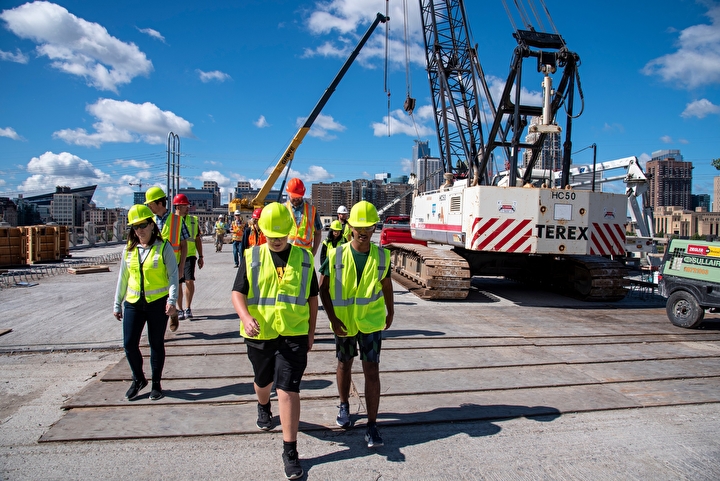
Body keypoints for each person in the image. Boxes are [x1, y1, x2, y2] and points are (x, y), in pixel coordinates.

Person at [231, 202, 318, 480]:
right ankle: (263, 405)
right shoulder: (252, 256)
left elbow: (312, 298)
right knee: (263, 381)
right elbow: (237, 293)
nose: (277, 240)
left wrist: (311, 331)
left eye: (281, 235)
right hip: (261, 333)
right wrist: (245, 317)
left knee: (288, 389)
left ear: (290, 232)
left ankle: (290, 451)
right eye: (272, 235)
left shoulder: (304, 259)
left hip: (293, 333)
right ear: (263, 231)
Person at [318, 201, 394, 449]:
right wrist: (332, 318)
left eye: (368, 226)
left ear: (374, 227)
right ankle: (343, 404)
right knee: (344, 363)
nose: (363, 231)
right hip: (345, 323)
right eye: (358, 226)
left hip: (370, 322)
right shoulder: (336, 254)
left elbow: (386, 284)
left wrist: (390, 310)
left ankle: (372, 425)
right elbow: (323, 289)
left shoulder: (382, 255)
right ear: (349, 225)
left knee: (372, 370)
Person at [113, 204, 178, 402]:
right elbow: (123, 277)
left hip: (157, 303)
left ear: (151, 225)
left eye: (142, 225)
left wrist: (172, 300)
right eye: (134, 227)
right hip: (133, 303)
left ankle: (156, 383)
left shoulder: (163, 246)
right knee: (129, 343)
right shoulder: (129, 249)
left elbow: (173, 275)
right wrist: (117, 303)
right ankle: (138, 379)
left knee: (156, 343)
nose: (139, 230)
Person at [145, 186, 189, 331]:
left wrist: (181, 266)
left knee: (170, 294)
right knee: (159, 298)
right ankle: (172, 313)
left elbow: (184, 245)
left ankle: (170, 315)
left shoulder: (177, 221)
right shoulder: (148, 221)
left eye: (150, 204)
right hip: (154, 267)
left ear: (159, 203)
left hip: (172, 266)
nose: (149, 207)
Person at [173, 194, 204, 320]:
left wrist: (201, 256)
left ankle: (188, 307)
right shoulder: (171, 221)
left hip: (190, 255)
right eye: (185, 206)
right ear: (178, 206)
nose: (187, 208)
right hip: (175, 256)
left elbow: (197, 239)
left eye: (187, 206)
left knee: (189, 281)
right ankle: (179, 309)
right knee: (178, 283)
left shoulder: (193, 220)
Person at [284, 178, 323, 256]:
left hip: (305, 255)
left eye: (298, 197)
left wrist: (314, 251)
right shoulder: (283, 209)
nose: (296, 199)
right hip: (286, 253)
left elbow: (318, 233)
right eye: (294, 197)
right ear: (288, 193)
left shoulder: (312, 211)